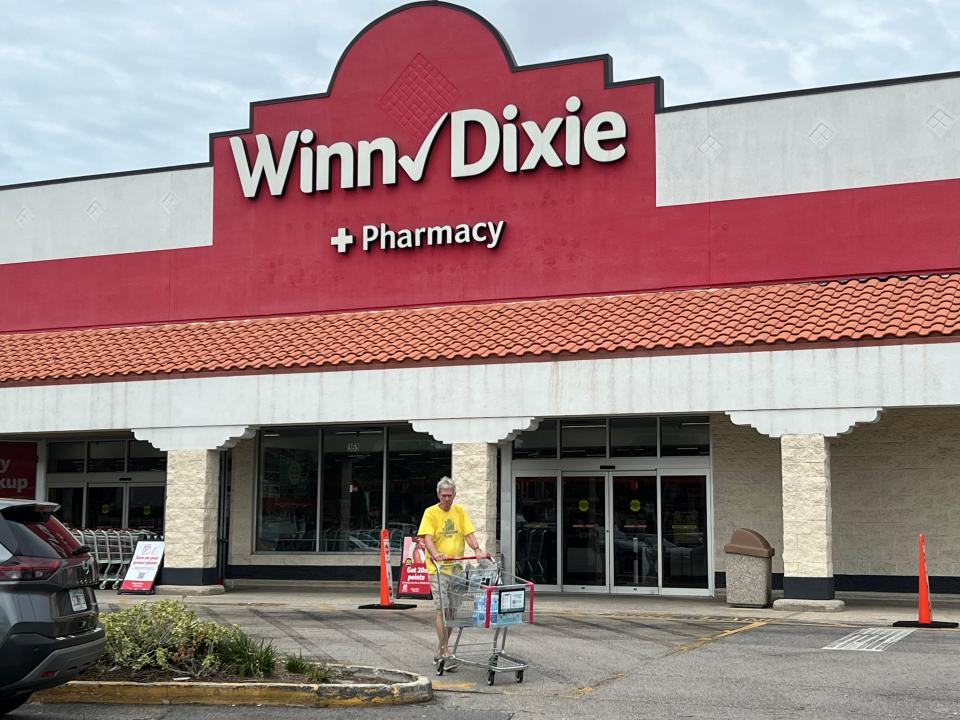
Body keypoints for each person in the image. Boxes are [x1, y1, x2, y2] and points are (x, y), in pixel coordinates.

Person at [418, 476, 491, 664]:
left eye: (450, 495)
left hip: (456, 569)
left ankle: (442, 648)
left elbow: (468, 533)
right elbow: (427, 538)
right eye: (444, 496)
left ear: (455, 494)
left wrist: (477, 550)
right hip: (438, 569)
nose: (447, 499)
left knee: (452, 611)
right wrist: (435, 554)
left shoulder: (459, 511)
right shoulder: (430, 513)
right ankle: (444, 650)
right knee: (441, 609)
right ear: (438, 495)